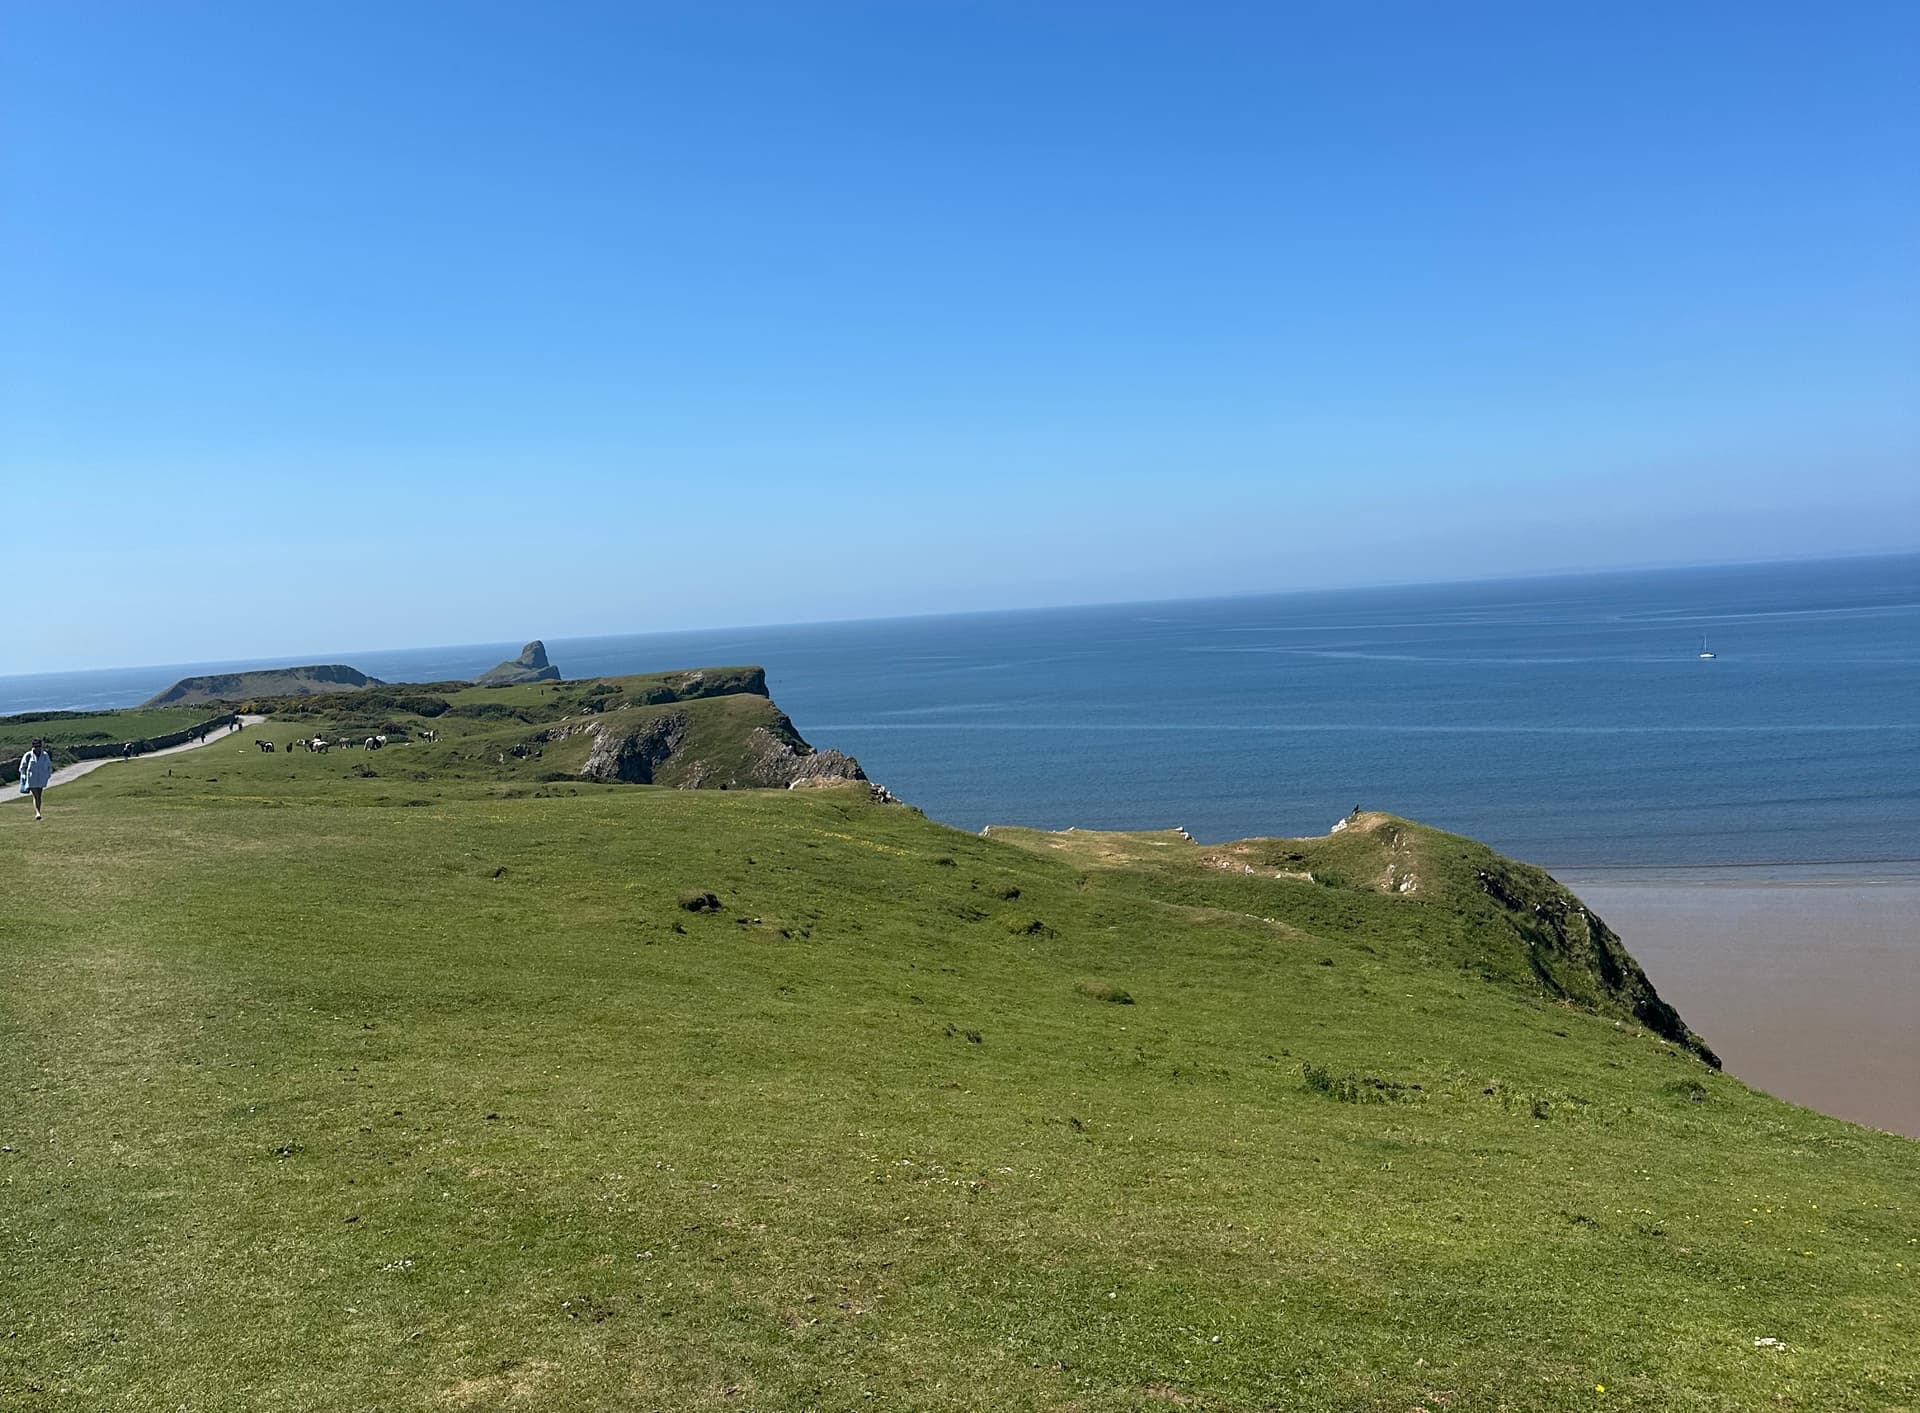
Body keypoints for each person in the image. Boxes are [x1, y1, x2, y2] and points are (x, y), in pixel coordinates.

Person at [18, 738, 53, 820]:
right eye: (36, 746)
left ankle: (38, 811)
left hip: (41, 778)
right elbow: (22, 767)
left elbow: (49, 766)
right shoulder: (28, 755)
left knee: (39, 796)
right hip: (31, 778)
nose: (38, 748)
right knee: (36, 795)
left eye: (39, 746)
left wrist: (48, 775)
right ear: (33, 746)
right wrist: (24, 776)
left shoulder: (45, 755)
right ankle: (38, 813)